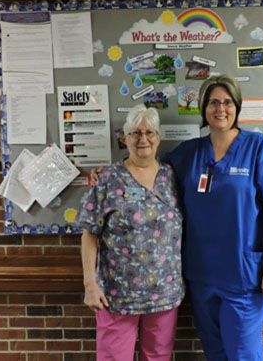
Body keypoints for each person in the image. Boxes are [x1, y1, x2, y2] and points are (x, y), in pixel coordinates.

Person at [161, 74, 263, 360]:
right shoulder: (190, 153)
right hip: (202, 274)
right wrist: (114, 171)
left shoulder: (257, 147)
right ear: (203, 108)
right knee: (216, 352)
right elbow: (147, 170)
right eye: (213, 102)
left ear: (237, 107)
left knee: (243, 353)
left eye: (227, 102)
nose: (220, 109)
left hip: (244, 276)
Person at [77, 104, 184, 361]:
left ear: (158, 138)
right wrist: (89, 283)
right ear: (125, 138)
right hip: (116, 295)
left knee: (158, 356)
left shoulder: (174, 177)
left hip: (164, 293)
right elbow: (90, 233)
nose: (143, 139)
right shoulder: (108, 178)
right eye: (136, 132)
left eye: (150, 132)